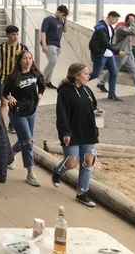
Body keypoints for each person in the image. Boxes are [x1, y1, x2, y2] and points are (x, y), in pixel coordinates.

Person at [52, 63, 103, 208]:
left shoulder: (87, 91)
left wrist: (97, 111)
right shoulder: (64, 92)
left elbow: (92, 106)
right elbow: (62, 114)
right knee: (71, 162)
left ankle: (82, 192)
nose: (88, 76)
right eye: (86, 74)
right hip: (72, 132)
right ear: (76, 76)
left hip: (88, 131)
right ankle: (57, 169)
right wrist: (65, 132)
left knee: (88, 161)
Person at [3, 50, 46, 187]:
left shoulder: (36, 74)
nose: (28, 61)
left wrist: (40, 94)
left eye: (30, 58)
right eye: (25, 58)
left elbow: (42, 85)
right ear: (20, 61)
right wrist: (10, 97)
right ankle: (30, 172)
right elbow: (4, 91)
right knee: (28, 141)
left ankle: (8, 157)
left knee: (25, 139)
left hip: (31, 112)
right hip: (17, 113)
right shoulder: (14, 76)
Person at [97, 14, 135, 96]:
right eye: (133, 21)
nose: (134, 24)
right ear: (128, 20)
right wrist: (132, 22)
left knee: (134, 70)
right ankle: (101, 83)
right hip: (121, 53)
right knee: (113, 69)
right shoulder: (121, 28)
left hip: (128, 53)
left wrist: (132, 23)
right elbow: (133, 32)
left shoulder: (127, 28)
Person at [0, 25, 28, 131]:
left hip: (19, 79)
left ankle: (13, 123)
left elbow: (28, 62)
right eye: (13, 34)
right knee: (4, 102)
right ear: (7, 35)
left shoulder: (23, 48)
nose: (16, 36)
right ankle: (2, 125)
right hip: (4, 78)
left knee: (16, 102)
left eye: (17, 34)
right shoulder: (1, 48)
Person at [88, 11, 127, 101]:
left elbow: (108, 41)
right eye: (116, 19)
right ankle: (74, 83)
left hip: (108, 54)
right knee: (95, 74)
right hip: (100, 54)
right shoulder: (101, 27)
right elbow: (104, 42)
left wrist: (113, 51)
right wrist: (117, 51)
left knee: (114, 72)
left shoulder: (109, 27)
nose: (116, 22)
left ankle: (112, 95)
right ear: (110, 17)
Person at [41, 5, 69, 89]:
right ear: (58, 11)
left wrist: (65, 20)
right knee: (52, 62)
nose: (63, 17)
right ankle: (41, 79)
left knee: (53, 63)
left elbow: (65, 30)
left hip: (57, 44)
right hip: (49, 43)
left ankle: (48, 80)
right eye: (62, 15)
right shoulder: (48, 19)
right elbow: (43, 32)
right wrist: (44, 44)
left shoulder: (60, 20)